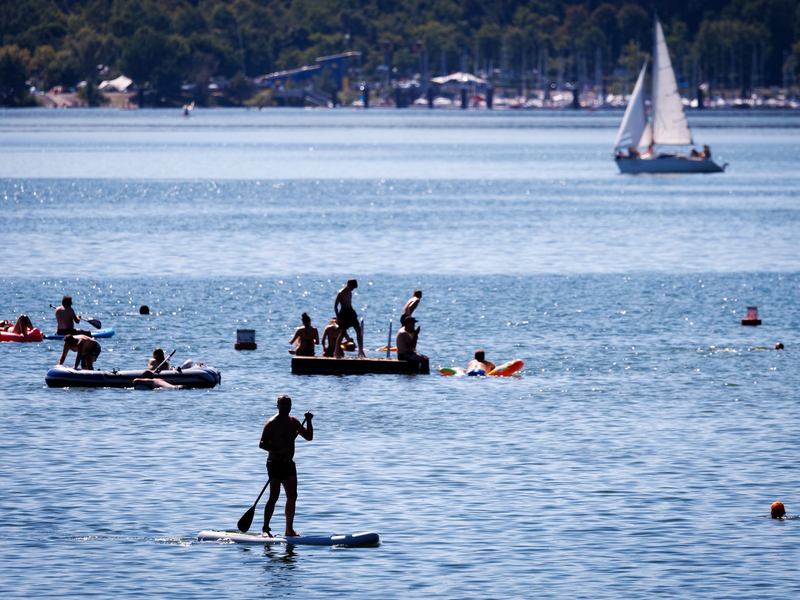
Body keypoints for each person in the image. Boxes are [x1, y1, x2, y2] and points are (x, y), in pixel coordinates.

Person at [259, 395, 313, 537]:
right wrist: (278, 449)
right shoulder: (272, 423)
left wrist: (308, 421)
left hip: (289, 464)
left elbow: (308, 437)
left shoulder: (294, 422)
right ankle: (265, 529)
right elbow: (262, 443)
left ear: (290, 406)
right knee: (274, 496)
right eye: (282, 404)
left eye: (287, 404)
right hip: (274, 464)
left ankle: (289, 530)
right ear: (277, 406)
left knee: (292, 496)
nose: (284, 407)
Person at [333, 278, 365, 358]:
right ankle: (336, 352)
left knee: (358, 329)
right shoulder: (341, 293)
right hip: (344, 312)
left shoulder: (350, 291)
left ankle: (360, 350)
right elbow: (335, 306)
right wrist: (338, 317)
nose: (352, 289)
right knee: (342, 333)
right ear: (347, 284)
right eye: (352, 287)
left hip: (350, 311)